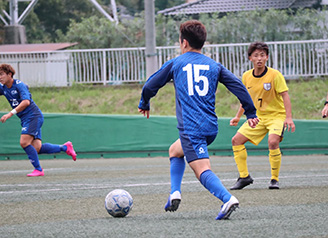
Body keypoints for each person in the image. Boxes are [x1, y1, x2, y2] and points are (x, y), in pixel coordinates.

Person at [138, 20, 259, 220]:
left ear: (184, 42)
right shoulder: (214, 65)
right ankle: (175, 192)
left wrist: (145, 102)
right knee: (175, 151)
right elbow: (238, 85)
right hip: (211, 127)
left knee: (202, 170)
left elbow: (151, 85)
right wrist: (251, 112)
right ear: (202, 43)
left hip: (192, 129)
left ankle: (227, 198)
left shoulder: (176, 63)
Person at [229, 41, 296, 190]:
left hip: (277, 116)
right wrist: (238, 116)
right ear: (250, 58)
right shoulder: (246, 76)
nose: (259, 58)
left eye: (262, 55)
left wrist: (288, 117)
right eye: (256, 55)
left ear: (267, 58)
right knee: (236, 140)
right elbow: (245, 99)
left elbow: (285, 96)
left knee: (273, 142)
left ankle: (274, 179)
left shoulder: (275, 75)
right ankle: (244, 177)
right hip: (257, 117)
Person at [0, 63, 77, 177]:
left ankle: (38, 169)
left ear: (9, 74)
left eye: (1, 74)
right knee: (37, 148)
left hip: (33, 116)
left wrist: (10, 114)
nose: (0, 77)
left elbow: (26, 102)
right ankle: (65, 147)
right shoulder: (4, 88)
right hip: (27, 118)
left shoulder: (19, 85)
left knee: (24, 142)